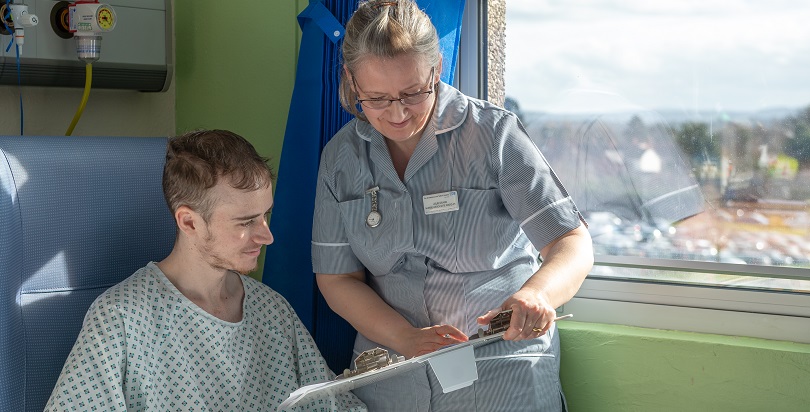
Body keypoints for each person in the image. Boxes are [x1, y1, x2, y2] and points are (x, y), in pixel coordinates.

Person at [311, 1, 594, 410]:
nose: (397, 113)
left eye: (412, 93)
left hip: (499, 365)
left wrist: (537, 295)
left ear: (436, 69)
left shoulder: (493, 135)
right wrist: (406, 339)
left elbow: (571, 241)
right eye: (376, 98)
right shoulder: (341, 159)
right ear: (353, 82)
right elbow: (337, 280)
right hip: (393, 372)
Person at [44, 130, 366, 412]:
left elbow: (333, 405)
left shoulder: (272, 311)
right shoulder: (121, 320)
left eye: (265, 215)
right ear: (189, 222)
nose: (267, 236)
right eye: (245, 222)